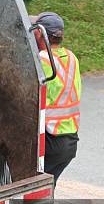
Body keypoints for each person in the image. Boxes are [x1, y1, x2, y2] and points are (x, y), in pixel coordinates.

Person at [30, 12, 82, 185]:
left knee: (33, 189)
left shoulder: (41, 60)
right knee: (46, 189)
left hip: (50, 140)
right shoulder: (71, 57)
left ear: (39, 33)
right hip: (70, 141)